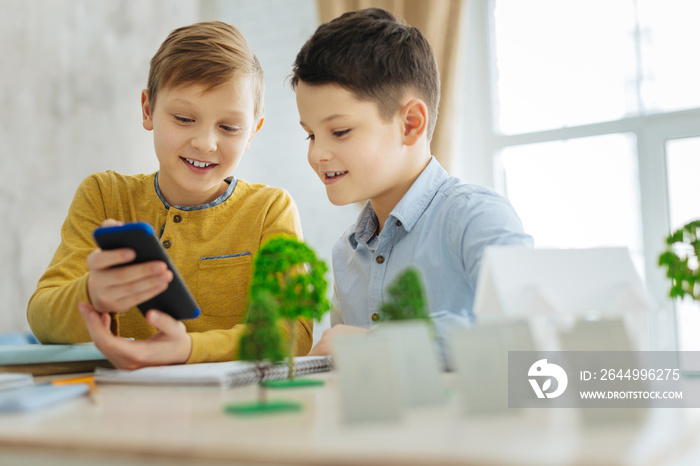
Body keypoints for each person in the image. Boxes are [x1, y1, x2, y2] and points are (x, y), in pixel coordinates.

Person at [27, 21, 311, 369]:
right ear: (148, 109)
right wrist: (91, 294)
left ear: (253, 131)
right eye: (183, 118)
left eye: (229, 127)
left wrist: (188, 349)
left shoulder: (269, 210)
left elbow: (292, 331)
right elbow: (42, 315)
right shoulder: (104, 195)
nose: (205, 143)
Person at [290, 8, 533, 361]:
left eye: (339, 131)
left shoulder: (475, 216)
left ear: (410, 124)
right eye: (310, 134)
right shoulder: (346, 253)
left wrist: (376, 343)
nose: (317, 154)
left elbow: (525, 327)